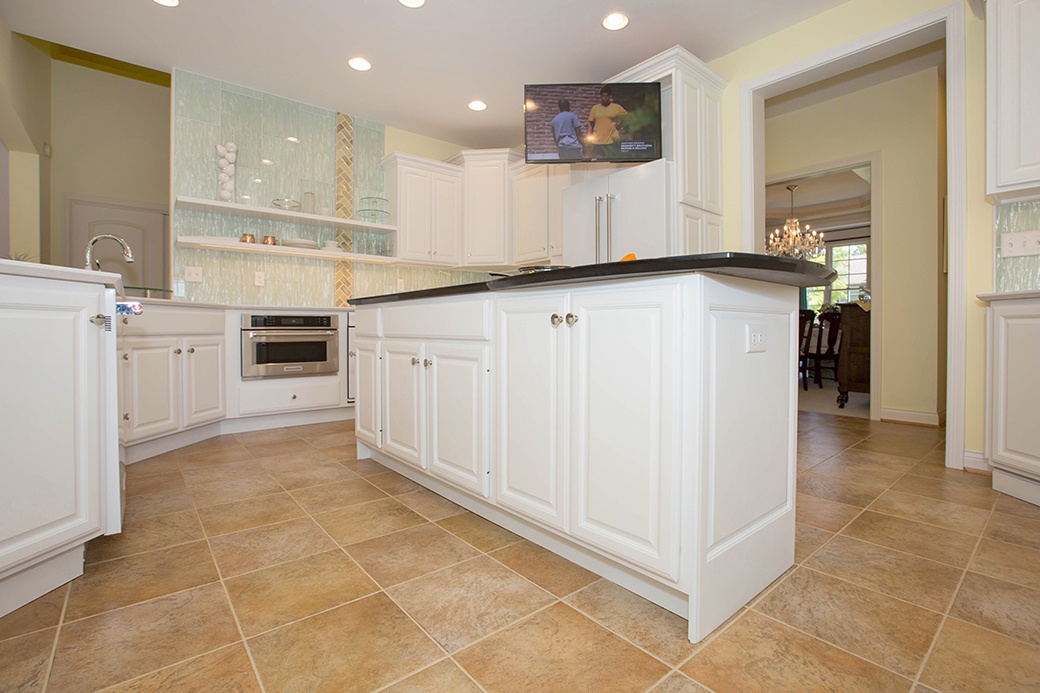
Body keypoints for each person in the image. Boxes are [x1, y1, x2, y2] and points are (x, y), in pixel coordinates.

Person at [587, 86, 627, 159]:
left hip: (612, 141)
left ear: (609, 97)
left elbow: (626, 117)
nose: (605, 98)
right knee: (599, 162)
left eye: (607, 96)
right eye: (603, 96)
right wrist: (589, 136)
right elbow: (590, 123)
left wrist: (619, 126)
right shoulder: (595, 108)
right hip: (598, 141)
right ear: (600, 97)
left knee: (613, 162)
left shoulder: (616, 107)